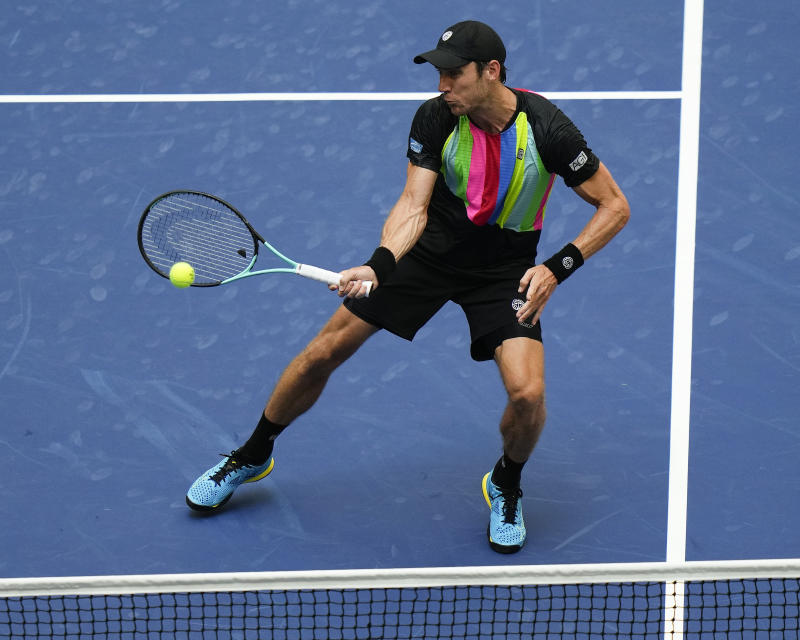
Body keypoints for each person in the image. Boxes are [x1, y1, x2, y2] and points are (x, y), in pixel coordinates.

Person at [184, 20, 630, 554]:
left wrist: (557, 267)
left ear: (491, 72)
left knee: (528, 395)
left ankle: (505, 483)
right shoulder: (437, 117)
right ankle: (252, 454)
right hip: (430, 254)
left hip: (502, 271)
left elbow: (615, 206)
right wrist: (380, 264)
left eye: (453, 74)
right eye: (439, 73)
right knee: (321, 353)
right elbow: (414, 205)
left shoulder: (549, 130)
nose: (443, 85)